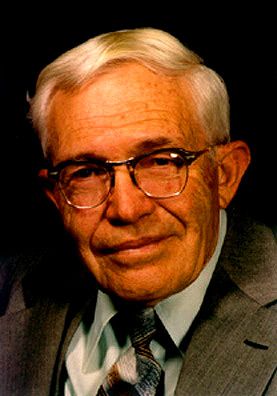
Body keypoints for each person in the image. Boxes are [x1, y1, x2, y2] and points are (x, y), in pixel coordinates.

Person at [0, 27, 276, 396]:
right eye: (86, 172)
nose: (127, 209)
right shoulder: (8, 295)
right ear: (57, 197)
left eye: (162, 162)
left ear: (224, 176)